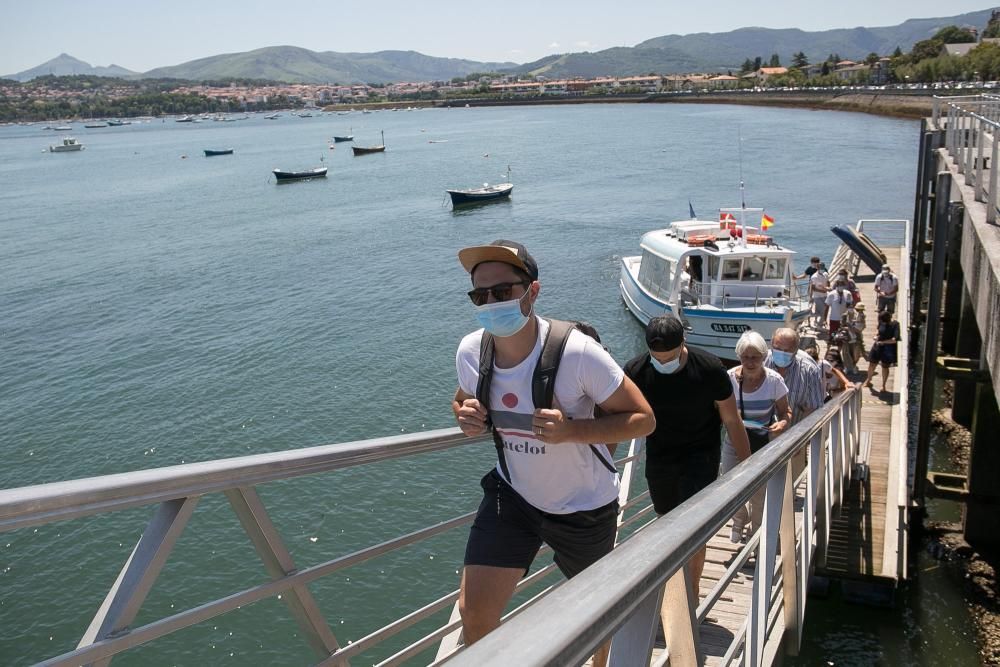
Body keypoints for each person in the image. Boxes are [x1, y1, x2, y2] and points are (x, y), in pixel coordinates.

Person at [452, 239, 655, 661]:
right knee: (474, 614)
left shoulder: (579, 353)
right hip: (513, 496)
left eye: (503, 292)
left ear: (533, 291)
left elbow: (643, 419)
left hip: (584, 506)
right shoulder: (472, 351)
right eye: (480, 295)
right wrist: (464, 413)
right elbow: (462, 396)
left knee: (595, 618)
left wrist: (571, 432)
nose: (491, 304)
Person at [625, 316, 750, 595]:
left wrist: (747, 466)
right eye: (657, 358)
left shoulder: (709, 368)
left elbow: (731, 420)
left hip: (701, 457)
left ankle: (690, 595)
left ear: (684, 344)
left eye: (668, 358)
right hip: (660, 459)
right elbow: (618, 418)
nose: (662, 363)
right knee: (666, 529)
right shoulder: (636, 371)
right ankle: (672, 594)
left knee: (693, 533)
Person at [720, 331, 791, 542]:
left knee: (760, 490)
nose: (750, 362)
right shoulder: (729, 378)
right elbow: (718, 409)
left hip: (763, 441)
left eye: (755, 357)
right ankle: (740, 519)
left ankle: (758, 534)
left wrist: (783, 423)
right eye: (745, 357)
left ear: (764, 357)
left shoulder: (774, 381)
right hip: (734, 439)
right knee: (729, 486)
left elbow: (785, 411)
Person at [764, 328, 825, 424]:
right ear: (771, 346)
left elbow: (814, 408)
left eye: (787, 351)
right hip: (761, 433)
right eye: (778, 349)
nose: (782, 353)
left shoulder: (810, 371)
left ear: (796, 350)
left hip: (794, 432)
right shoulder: (761, 362)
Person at [864, 309, 901, 393]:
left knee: (885, 367)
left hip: (888, 349)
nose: (881, 322)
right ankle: (868, 380)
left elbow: (894, 339)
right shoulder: (881, 322)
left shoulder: (895, 325)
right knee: (872, 364)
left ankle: (883, 385)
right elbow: (878, 330)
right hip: (878, 346)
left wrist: (883, 342)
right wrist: (876, 336)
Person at [809, 263, 830, 329]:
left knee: (822, 310)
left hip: (825, 295)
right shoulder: (814, 277)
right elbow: (813, 288)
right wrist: (811, 297)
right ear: (817, 268)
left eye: (823, 268)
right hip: (817, 296)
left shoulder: (826, 274)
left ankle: (817, 321)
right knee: (822, 310)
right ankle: (819, 325)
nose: (822, 270)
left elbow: (828, 282)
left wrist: (827, 288)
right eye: (820, 268)